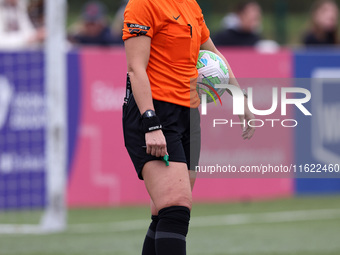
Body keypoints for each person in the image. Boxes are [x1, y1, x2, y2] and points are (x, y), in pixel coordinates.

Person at [122, 0, 255, 254]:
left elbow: (214, 54)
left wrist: (239, 97)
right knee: (176, 207)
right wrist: (150, 122)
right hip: (155, 112)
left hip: (189, 115)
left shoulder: (190, 5)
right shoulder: (142, 4)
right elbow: (135, 68)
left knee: (166, 211)